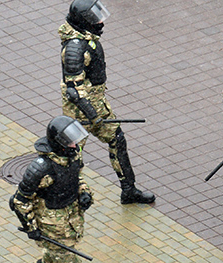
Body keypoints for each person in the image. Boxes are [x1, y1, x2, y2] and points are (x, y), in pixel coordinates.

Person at [0, 116, 114, 263]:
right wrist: (32, 228)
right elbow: (19, 201)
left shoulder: (72, 155)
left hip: (71, 219)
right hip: (51, 225)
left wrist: (85, 193)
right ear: (59, 142)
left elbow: (77, 177)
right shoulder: (40, 168)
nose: (74, 144)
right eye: (70, 141)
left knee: (53, 262)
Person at [59, 0, 155, 204]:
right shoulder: (75, 48)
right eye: (94, 19)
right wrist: (93, 116)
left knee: (117, 140)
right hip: (80, 111)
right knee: (72, 155)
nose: (100, 23)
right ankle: (74, 196)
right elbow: (74, 91)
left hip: (97, 103)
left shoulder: (86, 38)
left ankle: (128, 190)